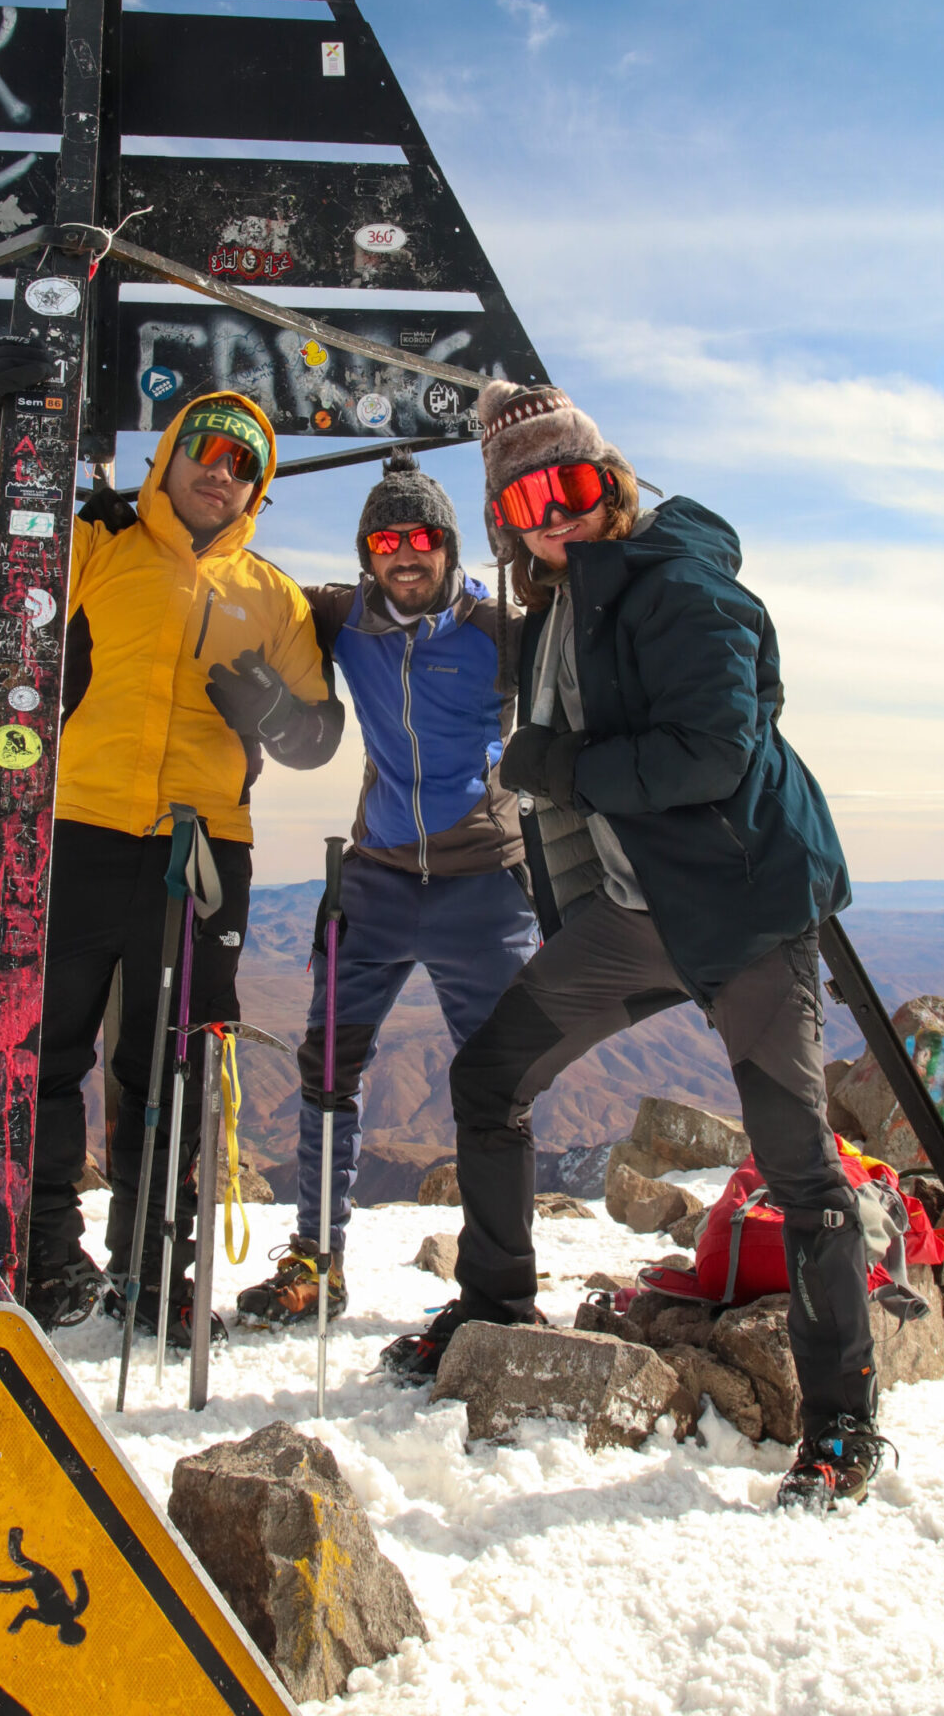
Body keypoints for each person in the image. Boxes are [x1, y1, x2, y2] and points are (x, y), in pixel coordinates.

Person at [379, 383, 885, 1514]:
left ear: (606, 481)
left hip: (742, 909)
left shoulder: (679, 583)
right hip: (630, 910)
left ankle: (843, 1422)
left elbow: (712, 749)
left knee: (798, 1165)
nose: (546, 513)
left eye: (564, 485)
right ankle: (496, 1299)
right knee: (489, 1075)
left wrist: (561, 768)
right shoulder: (562, 598)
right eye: (521, 499)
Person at [0, 341, 343, 1343]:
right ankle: (47, 1251)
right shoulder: (98, 539)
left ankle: (154, 1268)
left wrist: (267, 704)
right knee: (47, 1051)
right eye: (208, 448)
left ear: (255, 488)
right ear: (171, 451)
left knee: (171, 1062)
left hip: (205, 847)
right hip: (81, 826)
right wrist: (5, 438)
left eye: (244, 463)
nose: (222, 469)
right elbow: (7, 543)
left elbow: (315, 735)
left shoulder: (274, 595)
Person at [235, 449, 537, 1328]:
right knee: (329, 1067)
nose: (404, 554)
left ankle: (498, 1287)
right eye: (385, 539)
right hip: (377, 877)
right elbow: (256, 586)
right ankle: (315, 1263)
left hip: (486, 886)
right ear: (367, 553)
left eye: (421, 538)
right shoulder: (345, 617)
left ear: (448, 544)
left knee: (497, 1087)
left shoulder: (501, 625)